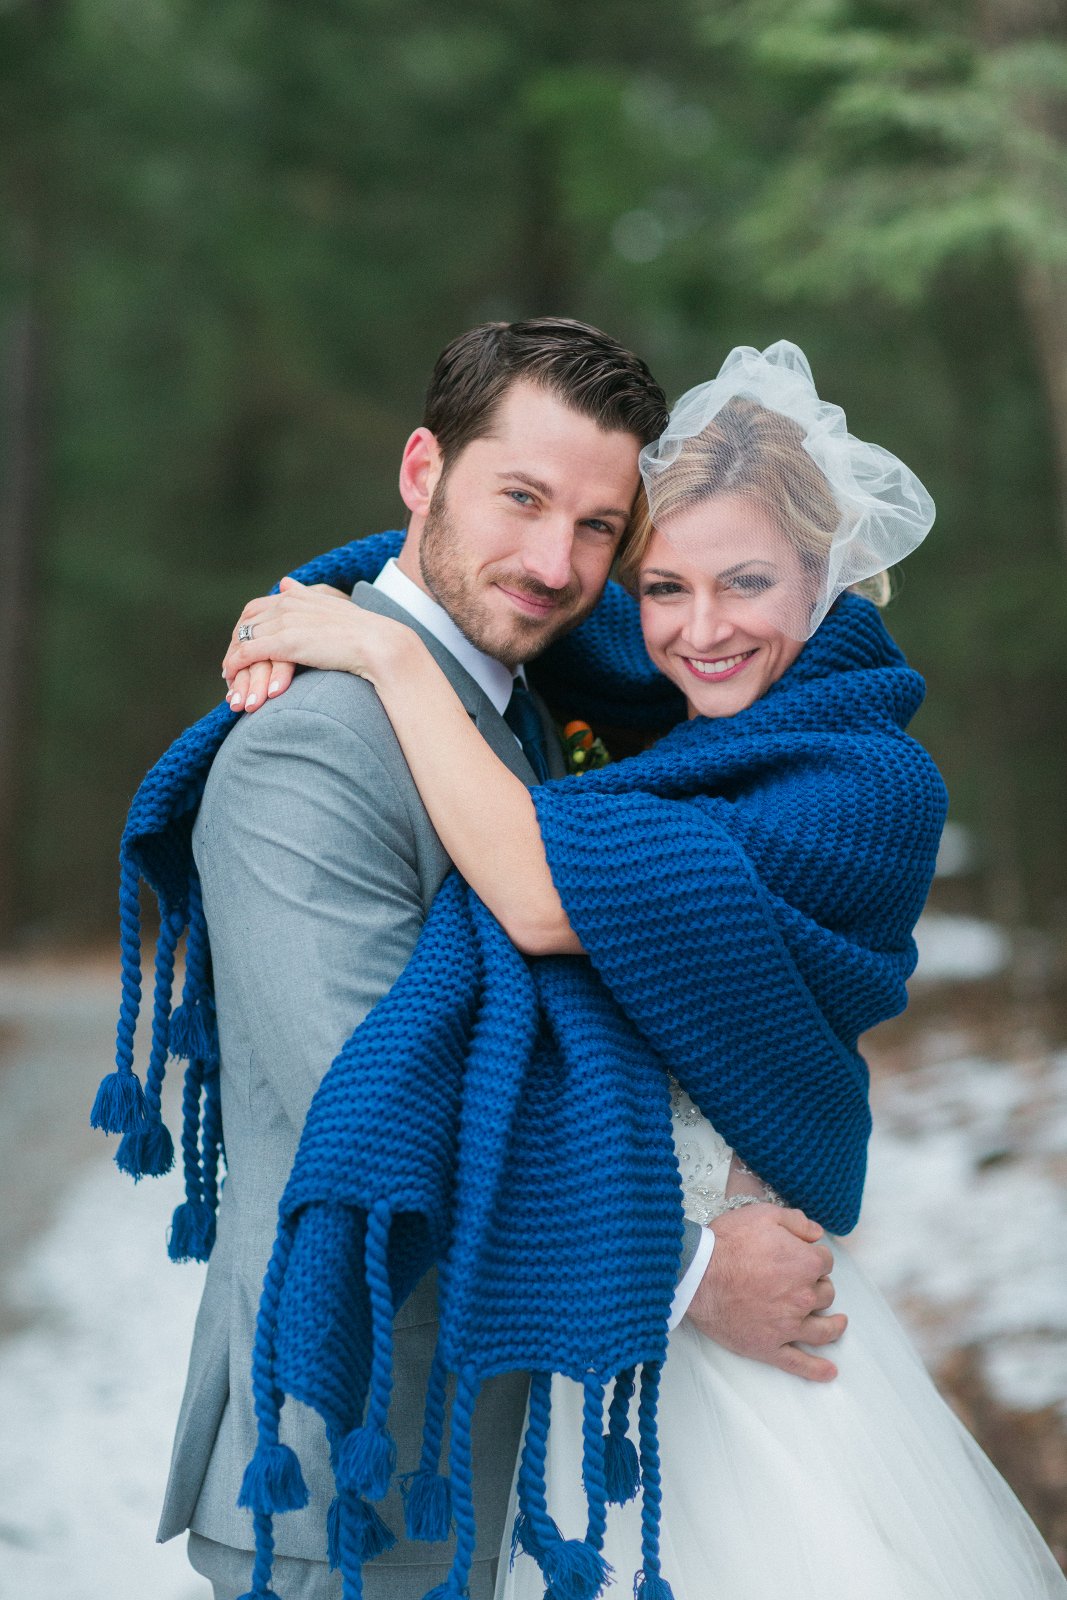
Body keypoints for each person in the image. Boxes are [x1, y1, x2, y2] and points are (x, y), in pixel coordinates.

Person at [220, 341, 1067, 1599]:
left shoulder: (860, 779)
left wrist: (380, 652)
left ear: (828, 580)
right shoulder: (651, 702)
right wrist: (334, 597)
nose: (702, 626)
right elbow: (511, 579)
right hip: (542, 1370)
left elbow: (529, 882)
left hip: (697, 1336)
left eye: (747, 583)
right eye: (662, 584)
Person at [92, 322, 843, 1600]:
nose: (555, 563)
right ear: (419, 469)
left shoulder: (545, 707)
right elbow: (379, 1111)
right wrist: (698, 1271)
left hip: (528, 1456)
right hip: (360, 1480)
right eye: (521, 497)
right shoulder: (306, 753)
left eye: (599, 527)